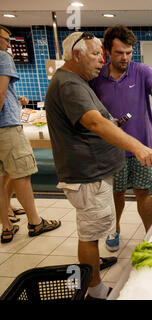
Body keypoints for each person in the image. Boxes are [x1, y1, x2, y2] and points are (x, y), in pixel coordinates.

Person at [45, 31, 152, 300]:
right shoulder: (70, 84)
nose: (100, 62)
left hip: (95, 170)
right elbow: (94, 122)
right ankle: (96, 291)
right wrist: (136, 145)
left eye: (101, 56)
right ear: (76, 55)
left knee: (95, 227)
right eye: (95, 55)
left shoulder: (77, 80)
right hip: (87, 173)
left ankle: (94, 273)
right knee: (90, 234)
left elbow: (101, 119)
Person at [90, 25, 152, 252]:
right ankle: (114, 229)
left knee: (143, 192)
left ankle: (151, 233)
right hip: (111, 150)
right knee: (115, 193)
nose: (125, 57)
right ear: (107, 51)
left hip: (143, 148)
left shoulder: (142, 71)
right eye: (119, 53)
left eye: (129, 52)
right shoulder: (97, 77)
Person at [0, 25, 61, 243]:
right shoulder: (3, 57)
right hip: (6, 128)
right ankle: (35, 222)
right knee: (21, 174)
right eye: (6, 40)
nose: (9, 45)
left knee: (2, 176)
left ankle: (6, 227)